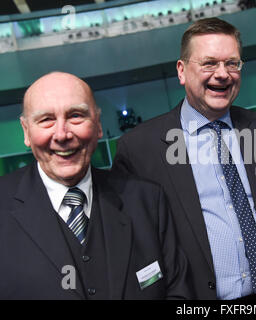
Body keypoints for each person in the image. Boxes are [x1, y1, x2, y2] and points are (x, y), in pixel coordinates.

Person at [112, 17, 256, 300]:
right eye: (209, 63)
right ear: (182, 71)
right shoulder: (140, 149)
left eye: (232, 63)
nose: (223, 74)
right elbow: (133, 247)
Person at [0, 72, 191, 299]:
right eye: (46, 120)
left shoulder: (147, 200)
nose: (62, 134)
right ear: (26, 131)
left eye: (76, 116)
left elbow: (179, 293)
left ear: (98, 125)